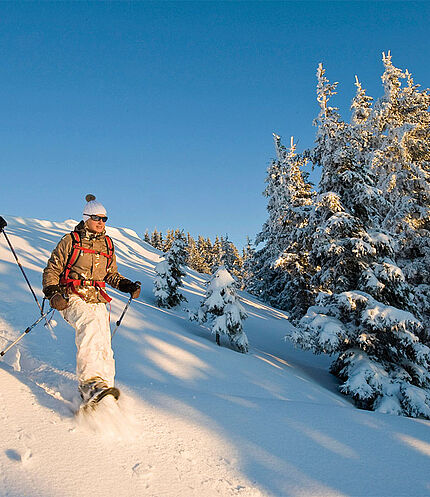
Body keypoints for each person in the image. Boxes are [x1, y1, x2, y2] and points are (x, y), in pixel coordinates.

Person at [42, 194, 141, 404]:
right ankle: (90, 385)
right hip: (72, 296)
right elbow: (52, 269)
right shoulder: (71, 240)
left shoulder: (107, 244)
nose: (101, 222)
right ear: (86, 217)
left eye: (104, 219)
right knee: (89, 327)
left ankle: (105, 391)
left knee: (104, 344)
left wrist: (126, 285)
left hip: (97, 298)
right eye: (97, 218)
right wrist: (53, 293)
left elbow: (110, 274)